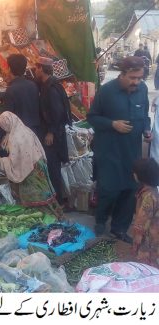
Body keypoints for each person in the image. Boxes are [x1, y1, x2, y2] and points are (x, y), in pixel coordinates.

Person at [87, 56, 152, 243]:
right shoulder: (106, 92)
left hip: (132, 153)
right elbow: (92, 117)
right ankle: (100, 221)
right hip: (109, 152)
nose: (136, 82)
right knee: (108, 189)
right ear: (121, 74)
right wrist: (112, 124)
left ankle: (119, 228)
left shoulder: (142, 90)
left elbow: (145, 115)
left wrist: (147, 130)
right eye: (132, 78)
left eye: (139, 78)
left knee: (129, 190)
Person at [0, 111, 61, 216]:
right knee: (44, 193)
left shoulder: (15, 137)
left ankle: (44, 219)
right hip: (38, 165)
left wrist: (0, 161)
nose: (4, 129)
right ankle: (55, 216)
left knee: (36, 197)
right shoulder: (25, 129)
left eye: (4, 126)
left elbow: (15, 162)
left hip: (30, 171)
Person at [34, 56, 72, 206]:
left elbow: (58, 112)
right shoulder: (46, 84)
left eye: (36, 68)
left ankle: (58, 201)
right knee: (51, 166)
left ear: (42, 69)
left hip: (54, 134)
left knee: (53, 166)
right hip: (52, 131)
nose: (35, 71)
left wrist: (51, 132)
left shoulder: (51, 89)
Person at [3, 54, 40, 137]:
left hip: (19, 134)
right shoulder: (33, 85)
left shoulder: (11, 90)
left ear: (9, 69)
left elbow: (8, 117)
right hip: (34, 131)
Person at [132, 158, 159, 268]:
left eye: (135, 172)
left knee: (145, 258)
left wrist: (137, 236)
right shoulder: (152, 190)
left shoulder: (148, 196)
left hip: (148, 234)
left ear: (140, 176)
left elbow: (142, 219)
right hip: (154, 232)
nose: (133, 174)